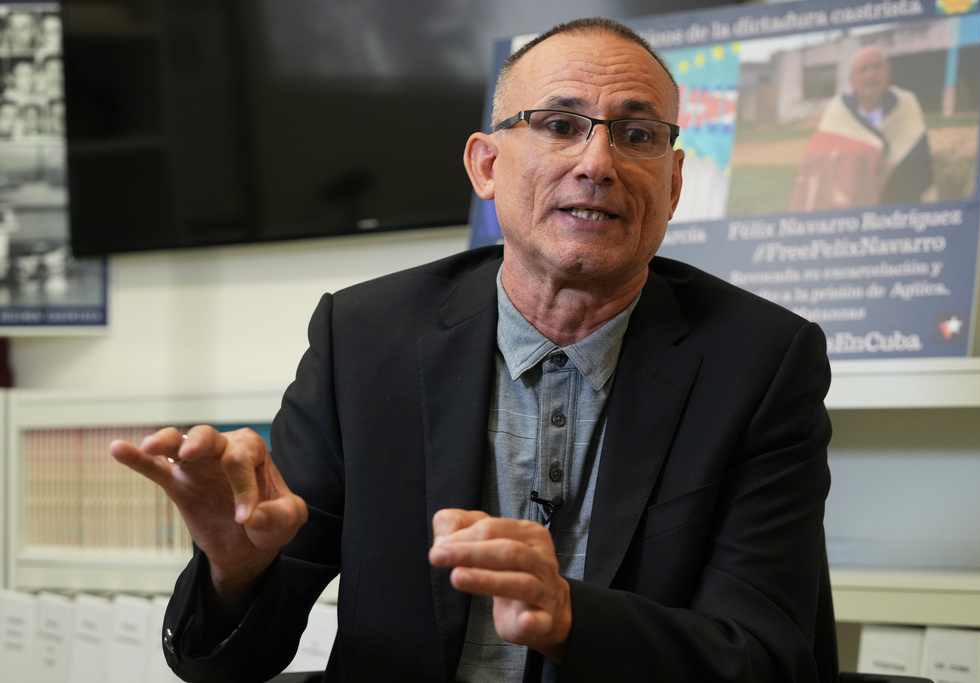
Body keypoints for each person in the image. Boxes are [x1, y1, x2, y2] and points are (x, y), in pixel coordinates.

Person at [111, 17, 833, 683]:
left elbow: (765, 657)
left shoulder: (761, 362)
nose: (598, 161)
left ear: (674, 184)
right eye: (559, 124)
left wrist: (573, 617)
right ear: (486, 166)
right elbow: (228, 662)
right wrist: (236, 571)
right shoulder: (363, 338)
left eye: (638, 135)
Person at [790, 44, 937, 212]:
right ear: (852, 80)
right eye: (863, 69)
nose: (871, 74)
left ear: (888, 72)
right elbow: (816, 159)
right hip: (850, 211)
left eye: (877, 67)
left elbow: (919, 157)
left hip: (900, 208)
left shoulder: (906, 104)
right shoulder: (838, 110)